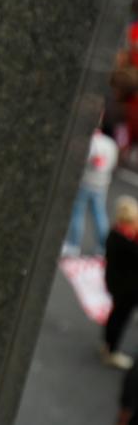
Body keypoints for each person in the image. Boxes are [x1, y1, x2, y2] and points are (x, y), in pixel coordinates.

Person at [64, 123, 119, 257]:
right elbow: (113, 163)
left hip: (85, 182)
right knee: (99, 214)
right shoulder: (111, 144)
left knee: (78, 213)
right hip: (101, 183)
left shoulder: (90, 142)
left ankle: (73, 245)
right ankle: (102, 247)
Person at [106, 197, 138, 369]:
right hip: (128, 290)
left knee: (115, 315)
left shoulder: (114, 235)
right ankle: (112, 351)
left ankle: (107, 345)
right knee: (120, 318)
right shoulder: (129, 243)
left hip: (117, 285)